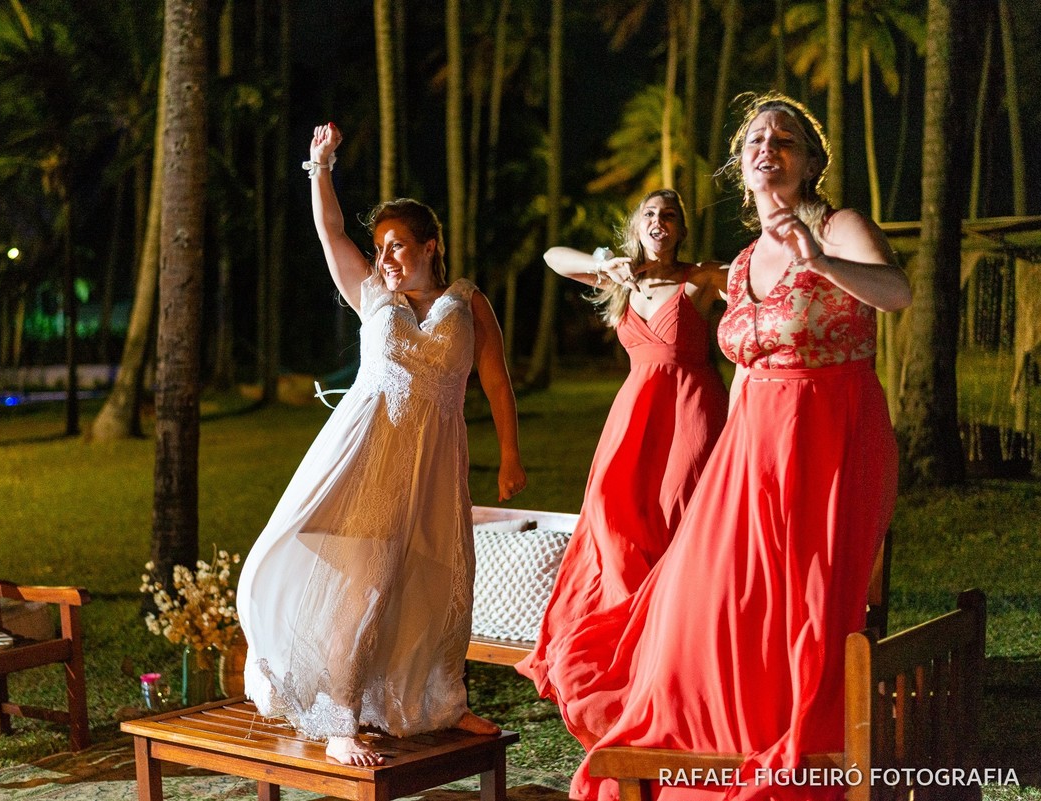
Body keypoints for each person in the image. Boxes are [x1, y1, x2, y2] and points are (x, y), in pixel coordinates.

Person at [560, 93, 911, 801]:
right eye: (755, 138)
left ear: (811, 161)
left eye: (784, 138)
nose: (767, 147)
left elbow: (897, 292)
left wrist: (823, 259)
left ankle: (803, 743)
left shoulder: (839, 224)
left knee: (806, 613)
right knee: (700, 606)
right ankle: (705, 745)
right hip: (745, 452)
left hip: (830, 443)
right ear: (740, 164)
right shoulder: (745, 257)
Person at [237, 122, 526, 768]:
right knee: (363, 586)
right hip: (367, 458)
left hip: (433, 465)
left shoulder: (468, 302)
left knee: (439, 580)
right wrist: (321, 166)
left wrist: (510, 453)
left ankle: (444, 704)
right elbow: (331, 232)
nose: (388, 257)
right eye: (382, 248)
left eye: (399, 246)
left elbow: (497, 382)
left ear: (431, 245)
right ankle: (341, 717)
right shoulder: (373, 297)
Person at [515, 190, 728, 730]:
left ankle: (679, 646)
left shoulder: (700, 280)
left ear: (680, 230)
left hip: (690, 410)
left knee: (679, 516)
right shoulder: (620, 278)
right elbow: (552, 257)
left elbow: (755, 276)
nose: (660, 222)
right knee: (614, 518)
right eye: (650, 214)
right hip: (633, 415)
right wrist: (600, 263)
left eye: (670, 215)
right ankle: (630, 637)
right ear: (638, 227)